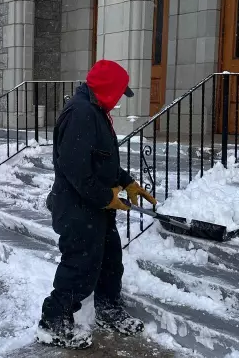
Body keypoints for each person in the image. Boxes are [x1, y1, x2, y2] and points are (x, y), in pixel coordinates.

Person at [36, 59, 158, 349]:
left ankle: (107, 308)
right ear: (106, 89)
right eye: (118, 93)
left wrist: (126, 182)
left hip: (95, 208)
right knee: (80, 264)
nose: (119, 100)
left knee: (109, 260)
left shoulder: (96, 111)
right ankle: (53, 320)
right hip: (78, 208)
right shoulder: (81, 114)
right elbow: (76, 168)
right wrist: (108, 197)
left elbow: (99, 160)